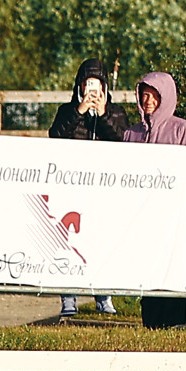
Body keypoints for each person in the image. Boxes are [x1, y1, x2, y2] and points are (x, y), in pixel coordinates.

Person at [122, 71, 186, 327]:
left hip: (176, 218)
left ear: (165, 97)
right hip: (143, 218)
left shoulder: (183, 130)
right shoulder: (131, 134)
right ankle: (150, 321)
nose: (148, 100)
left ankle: (176, 321)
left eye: (154, 95)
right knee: (148, 270)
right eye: (144, 95)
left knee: (174, 269)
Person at [48, 59, 121, 317]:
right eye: (87, 83)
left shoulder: (116, 112)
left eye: (97, 84)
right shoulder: (66, 110)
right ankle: (68, 298)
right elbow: (55, 136)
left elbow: (122, 142)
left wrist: (102, 115)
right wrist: (78, 111)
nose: (92, 89)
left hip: (103, 189)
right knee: (68, 242)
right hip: (71, 187)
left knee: (101, 241)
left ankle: (103, 296)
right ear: (79, 85)